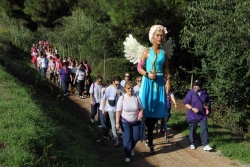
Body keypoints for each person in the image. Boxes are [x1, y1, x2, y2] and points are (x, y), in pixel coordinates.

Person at [137, 25, 170, 153]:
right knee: (146, 108)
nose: (160, 37)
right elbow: (139, 68)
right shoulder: (146, 52)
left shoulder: (164, 53)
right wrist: (147, 74)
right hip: (148, 82)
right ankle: (149, 137)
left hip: (160, 82)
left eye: (162, 35)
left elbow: (167, 70)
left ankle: (149, 137)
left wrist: (168, 82)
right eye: (158, 35)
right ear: (152, 37)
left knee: (157, 109)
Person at [116, 81, 143, 163]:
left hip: (135, 121)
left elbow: (141, 108)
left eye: (131, 88)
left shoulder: (136, 97)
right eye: (128, 88)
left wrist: (140, 114)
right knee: (127, 139)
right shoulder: (122, 98)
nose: (130, 90)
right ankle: (127, 155)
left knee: (136, 137)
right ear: (125, 89)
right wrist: (117, 123)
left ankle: (131, 148)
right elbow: (118, 111)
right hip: (125, 121)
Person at [184, 79, 212, 151]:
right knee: (192, 130)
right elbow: (186, 103)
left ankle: (206, 144)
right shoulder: (190, 93)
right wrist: (192, 108)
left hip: (202, 115)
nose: (195, 87)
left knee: (204, 129)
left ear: (200, 86)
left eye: (197, 85)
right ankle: (192, 143)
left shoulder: (204, 93)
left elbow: (208, 101)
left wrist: (207, 105)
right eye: (194, 85)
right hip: (192, 115)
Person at [102, 76, 122, 147]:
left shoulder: (121, 88)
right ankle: (117, 140)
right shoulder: (109, 89)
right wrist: (103, 108)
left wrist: (120, 94)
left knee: (119, 124)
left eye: (118, 84)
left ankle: (113, 134)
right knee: (114, 125)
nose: (117, 85)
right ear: (113, 82)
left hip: (119, 110)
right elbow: (104, 98)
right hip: (111, 109)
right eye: (116, 84)